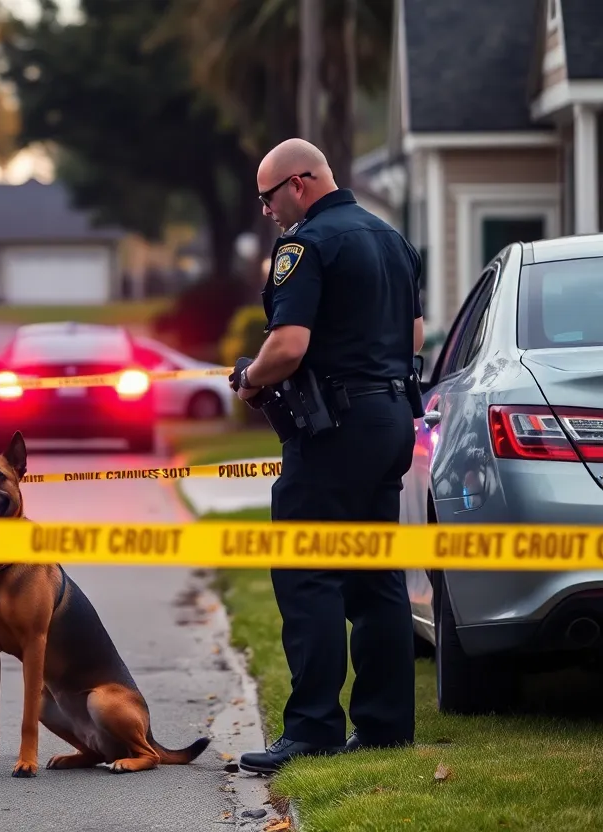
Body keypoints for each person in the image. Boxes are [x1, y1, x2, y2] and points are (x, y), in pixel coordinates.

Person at [230, 138, 424, 775]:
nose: (266, 210)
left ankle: (312, 728)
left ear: (302, 183)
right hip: (392, 417)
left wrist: (251, 379)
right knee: (377, 578)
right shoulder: (391, 239)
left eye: (269, 196)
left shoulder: (304, 246)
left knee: (308, 573)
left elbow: (287, 345)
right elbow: (414, 333)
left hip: (333, 426)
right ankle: (387, 725)